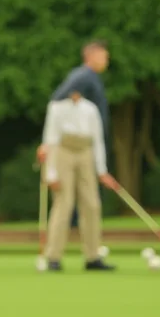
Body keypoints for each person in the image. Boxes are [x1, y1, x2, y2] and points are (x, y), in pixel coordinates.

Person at [41, 91, 118, 271]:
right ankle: (53, 257)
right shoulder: (56, 106)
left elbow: (98, 140)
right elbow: (50, 138)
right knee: (63, 203)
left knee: (92, 204)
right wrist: (50, 173)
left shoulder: (90, 108)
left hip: (85, 153)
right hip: (63, 151)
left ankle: (93, 257)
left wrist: (102, 170)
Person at [38, 40, 111, 228]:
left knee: (89, 199)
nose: (106, 59)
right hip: (74, 146)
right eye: (103, 55)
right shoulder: (83, 76)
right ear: (91, 56)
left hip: (90, 142)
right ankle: (70, 229)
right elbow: (57, 101)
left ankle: (88, 244)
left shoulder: (92, 77)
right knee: (69, 197)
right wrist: (48, 142)